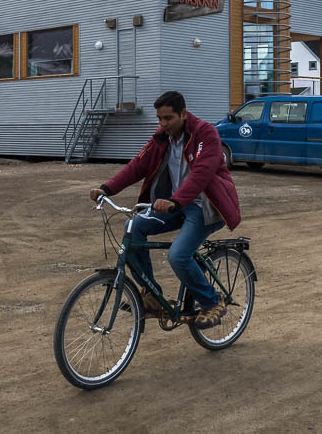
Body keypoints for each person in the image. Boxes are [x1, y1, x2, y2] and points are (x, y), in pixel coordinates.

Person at [88, 91, 241, 328]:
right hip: (176, 204)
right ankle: (151, 295)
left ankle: (212, 301)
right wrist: (107, 188)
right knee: (133, 227)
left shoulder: (205, 134)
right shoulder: (162, 138)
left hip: (205, 207)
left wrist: (176, 200)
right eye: (160, 119)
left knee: (178, 255)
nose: (163, 124)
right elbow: (138, 165)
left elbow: (202, 173)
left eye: (168, 118)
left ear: (183, 113)